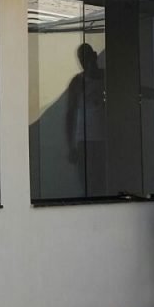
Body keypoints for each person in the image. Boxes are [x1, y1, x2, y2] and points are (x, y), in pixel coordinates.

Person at [65, 43, 107, 195]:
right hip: (84, 140)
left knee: (104, 182)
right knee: (88, 184)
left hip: (105, 139)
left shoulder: (107, 77)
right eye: (82, 59)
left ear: (94, 56)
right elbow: (70, 115)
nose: (84, 62)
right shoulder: (77, 82)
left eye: (87, 58)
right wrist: (71, 146)